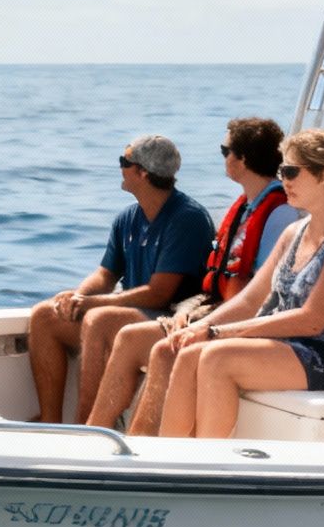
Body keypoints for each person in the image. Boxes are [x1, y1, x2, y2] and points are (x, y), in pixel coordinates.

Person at [145, 127, 324, 439]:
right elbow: (251, 301)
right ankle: (170, 459)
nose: (283, 179)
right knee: (184, 350)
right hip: (290, 344)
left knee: (217, 357)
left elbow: (313, 321)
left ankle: (209, 468)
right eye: (281, 170)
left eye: (291, 171)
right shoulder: (296, 232)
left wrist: (217, 333)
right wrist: (199, 327)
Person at [85, 117, 300, 432]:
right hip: (218, 309)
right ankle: (93, 432)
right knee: (131, 337)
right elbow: (219, 282)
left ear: (242, 159)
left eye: (226, 150)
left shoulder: (278, 214)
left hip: (245, 321)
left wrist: (206, 325)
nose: (223, 157)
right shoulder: (248, 207)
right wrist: (189, 311)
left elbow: (262, 295)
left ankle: (137, 445)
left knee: (162, 347)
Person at [25, 134, 215, 424]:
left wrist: (92, 303)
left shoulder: (187, 219)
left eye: (124, 162)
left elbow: (158, 294)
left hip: (167, 318)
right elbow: (105, 275)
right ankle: (50, 422)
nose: (120, 168)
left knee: (98, 319)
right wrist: (78, 296)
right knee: (44, 315)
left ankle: (85, 427)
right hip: (130, 312)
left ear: (142, 172)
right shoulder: (127, 217)